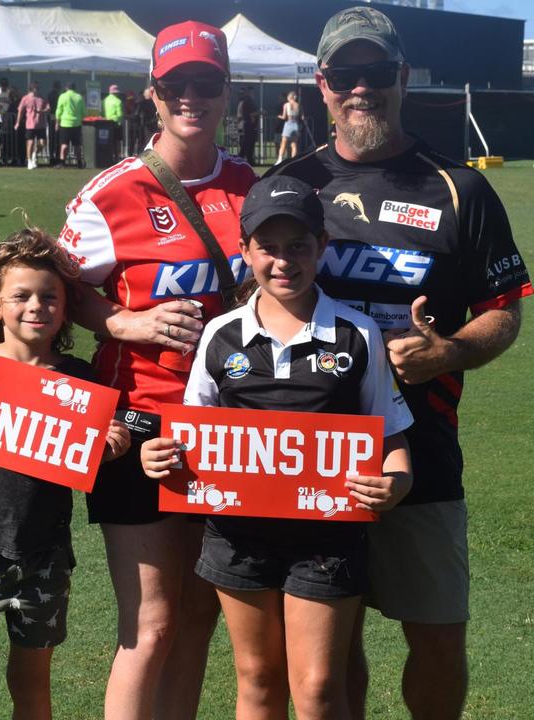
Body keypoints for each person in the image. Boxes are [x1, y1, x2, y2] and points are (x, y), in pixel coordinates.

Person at [268, 7, 530, 718]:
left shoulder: (459, 188)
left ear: (402, 78)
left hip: (426, 446)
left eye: (376, 73)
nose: (362, 88)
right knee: (329, 653)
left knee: (440, 637)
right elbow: (250, 306)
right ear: (322, 84)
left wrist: (454, 350)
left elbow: (506, 307)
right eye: (345, 75)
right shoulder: (289, 183)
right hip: (314, 453)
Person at [141, 175, 414, 720]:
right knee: (259, 680)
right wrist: (157, 456)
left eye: (299, 247)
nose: (283, 261)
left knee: (316, 688)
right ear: (245, 252)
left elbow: (393, 439)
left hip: (328, 536)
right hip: (238, 535)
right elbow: (189, 433)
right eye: (267, 247)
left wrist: (396, 483)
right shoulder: (220, 335)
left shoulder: (357, 333)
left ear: (321, 249)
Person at [57, 21, 257, 719]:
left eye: (206, 84)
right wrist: (121, 321)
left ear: (227, 91)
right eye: (177, 86)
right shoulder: (112, 193)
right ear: (153, 94)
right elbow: (53, 288)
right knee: (151, 623)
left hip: (229, 431)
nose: (191, 98)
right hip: (136, 423)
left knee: (201, 617)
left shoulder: (255, 189)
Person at [0, 228, 131, 720]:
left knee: (33, 690)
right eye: (21, 296)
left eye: (49, 297)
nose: (36, 306)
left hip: (46, 556)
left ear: (66, 307)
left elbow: (86, 460)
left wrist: (111, 447)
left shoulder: (81, 380)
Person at [15, 81, 49, 170]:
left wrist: (42, 111)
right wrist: (18, 122)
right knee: (30, 143)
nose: (37, 90)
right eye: (36, 88)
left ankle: (34, 154)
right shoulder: (25, 98)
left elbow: (48, 108)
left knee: (42, 143)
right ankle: (29, 161)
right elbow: (20, 111)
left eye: (38, 88)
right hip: (30, 125)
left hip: (41, 124)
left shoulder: (42, 97)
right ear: (31, 88)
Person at [55, 82, 85, 168]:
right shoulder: (79, 97)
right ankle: (79, 162)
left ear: (66, 88)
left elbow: (59, 111)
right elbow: (84, 112)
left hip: (65, 123)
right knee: (77, 145)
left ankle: (62, 162)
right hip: (76, 123)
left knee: (64, 144)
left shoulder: (62, 96)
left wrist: (57, 122)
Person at [236, 87, 259, 163]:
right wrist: (260, 113)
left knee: (249, 143)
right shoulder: (247, 101)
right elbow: (250, 114)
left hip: (247, 125)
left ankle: (249, 159)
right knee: (247, 143)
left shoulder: (246, 102)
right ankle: (241, 158)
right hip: (248, 125)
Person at [276, 91, 301, 164]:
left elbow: (284, 117)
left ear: (289, 97)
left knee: (283, 143)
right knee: (294, 144)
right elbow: (301, 116)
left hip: (288, 124)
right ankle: (293, 161)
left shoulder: (286, 105)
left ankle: (280, 159)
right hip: (296, 125)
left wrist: (278, 116)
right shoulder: (298, 105)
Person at [103, 84, 124, 165]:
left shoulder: (104, 101)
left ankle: (109, 157)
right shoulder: (118, 101)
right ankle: (117, 158)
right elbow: (120, 115)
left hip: (106, 123)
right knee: (117, 142)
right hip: (116, 124)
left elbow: (102, 113)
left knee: (109, 142)